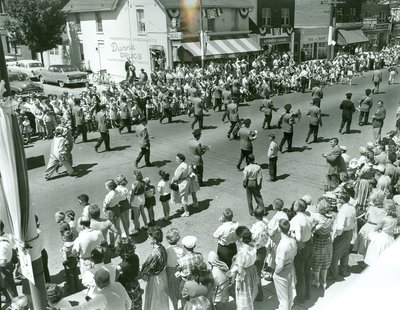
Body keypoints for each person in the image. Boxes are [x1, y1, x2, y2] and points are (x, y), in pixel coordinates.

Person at [227, 226, 258, 310]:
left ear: (240, 238)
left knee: (243, 293)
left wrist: (236, 263)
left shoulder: (241, 252)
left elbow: (240, 270)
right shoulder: (253, 246)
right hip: (252, 269)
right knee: (251, 290)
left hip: (245, 273)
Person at [67, 269, 132, 309]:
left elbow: (82, 308)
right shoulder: (118, 284)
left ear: (98, 282)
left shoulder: (102, 298)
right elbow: (129, 302)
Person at [140, 226, 170, 310]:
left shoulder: (155, 254)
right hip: (163, 275)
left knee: (155, 301)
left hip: (155, 279)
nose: (148, 237)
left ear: (155, 239)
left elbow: (147, 267)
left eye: (150, 236)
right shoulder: (162, 247)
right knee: (162, 299)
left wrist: (143, 272)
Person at [328, 193, 356, 280]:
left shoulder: (342, 211)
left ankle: (334, 274)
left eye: (338, 199)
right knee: (345, 254)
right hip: (349, 232)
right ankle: (343, 271)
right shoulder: (352, 207)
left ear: (342, 200)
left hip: (342, 234)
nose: (337, 200)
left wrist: (336, 235)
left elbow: (340, 227)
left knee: (334, 256)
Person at [290, 199, 313, 304]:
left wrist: (295, 240)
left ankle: (300, 297)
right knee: (307, 270)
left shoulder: (295, 220)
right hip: (309, 244)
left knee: (300, 273)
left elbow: (298, 237)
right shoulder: (308, 216)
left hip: (301, 247)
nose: (293, 206)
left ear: (298, 207)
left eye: (295, 204)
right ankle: (308, 293)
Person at [273, 219, 297, 310]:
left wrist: (275, 273)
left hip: (282, 271)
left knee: (283, 299)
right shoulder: (292, 240)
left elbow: (280, 264)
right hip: (290, 267)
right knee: (289, 293)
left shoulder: (283, 244)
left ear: (279, 229)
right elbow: (294, 253)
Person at [364, 201, 398, 266]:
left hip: (382, 238)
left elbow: (376, 229)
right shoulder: (395, 219)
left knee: (377, 253)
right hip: (390, 237)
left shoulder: (384, 219)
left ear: (387, 210)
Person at [311, 197, 334, 290]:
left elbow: (312, 229)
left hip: (317, 241)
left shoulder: (316, 216)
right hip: (327, 241)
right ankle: (324, 282)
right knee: (325, 261)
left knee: (316, 262)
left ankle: (316, 281)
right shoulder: (331, 217)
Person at [116, 238, 143, 310]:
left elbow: (115, 280)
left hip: (127, 289)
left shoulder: (120, 267)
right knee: (138, 306)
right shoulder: (135, 257)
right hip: (135, 285)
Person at [250, 206, 269, 301]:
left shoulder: (257, 227)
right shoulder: (265, 224)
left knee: (256, 273)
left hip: (256, 251)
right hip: (263, 250)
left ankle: (259, 294)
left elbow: (253, 239)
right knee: (258, 271)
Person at [165, 228, 185, 310]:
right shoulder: (181, 249)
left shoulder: (167, 250)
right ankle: (183, 307)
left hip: (170, 272)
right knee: (181, 289)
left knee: (172, 291)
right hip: (180, 271)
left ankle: (175, 307)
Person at [172, 153, 191, 217]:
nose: (176, 160)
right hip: (186, 181)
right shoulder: (185, 165)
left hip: (182, 183)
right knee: (184, 196)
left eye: (177, 159)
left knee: (183, 197)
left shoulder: (180, 167)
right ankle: (184, 208)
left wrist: (173, 180)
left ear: (181, 159)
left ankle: (186, 211)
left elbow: (177, 177)